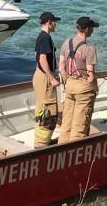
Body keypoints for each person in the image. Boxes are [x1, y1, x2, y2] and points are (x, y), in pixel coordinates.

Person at [58, 16, 100, 143]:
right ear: (87, 29)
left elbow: (61, 67)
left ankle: (61, 148)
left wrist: (68, 81)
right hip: (83, 88)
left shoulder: (66, 43)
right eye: (92, 27)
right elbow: (90, 75)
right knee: (79, 126)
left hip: (70, 85)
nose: (92, 30)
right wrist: (92, 85)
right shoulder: (89, 49)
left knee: (66, 123)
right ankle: (74, 152)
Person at [32, 11, 62, 148]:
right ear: (49, 22)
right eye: (54, 21)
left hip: (39, 75)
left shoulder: (41, 37)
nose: (56, 24)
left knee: (41, 109)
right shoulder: (45, 38)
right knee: (48, 113)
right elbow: (42, 59)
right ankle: (42, 145)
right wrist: (52, 78)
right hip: (44, 77)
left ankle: (40, 141)